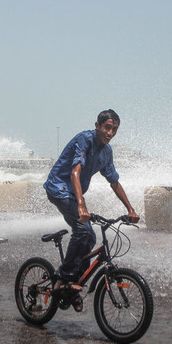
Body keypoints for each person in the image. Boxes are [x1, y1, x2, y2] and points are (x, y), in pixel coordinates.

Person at [43, 109, 139, 312]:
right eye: (107, 127)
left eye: (114, 129)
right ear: (97, 126)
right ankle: (64, 276)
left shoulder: (106, 152)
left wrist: (131, 209)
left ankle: (73, 286)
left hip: (74, 194)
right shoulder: (84, 140)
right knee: (83, 230)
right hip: (59, 188)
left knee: (91, 238)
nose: (110, 133)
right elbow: (75, 172)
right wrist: (81, 204)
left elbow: (114, 182)